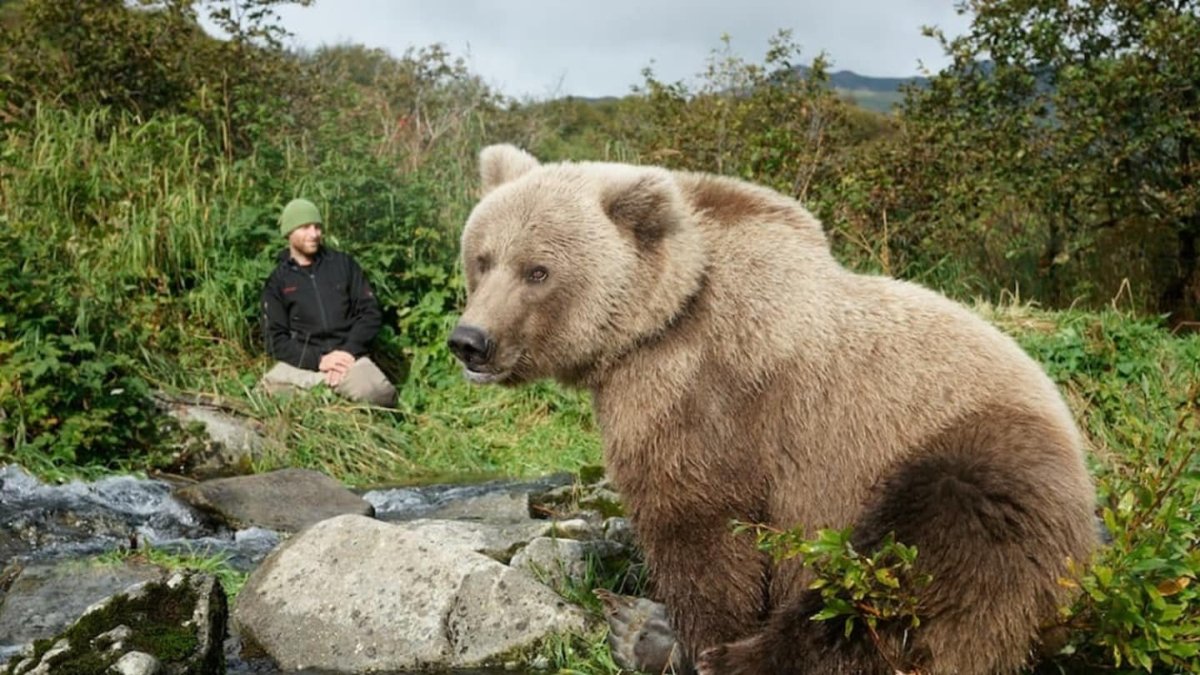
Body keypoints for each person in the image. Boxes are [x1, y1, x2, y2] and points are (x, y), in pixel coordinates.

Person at [259, 198, 397, 407]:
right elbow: (274, 339)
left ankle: (323, 395)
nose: (314, 234)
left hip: (348, 359)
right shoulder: (278, 281)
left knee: (380, 394)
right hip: (304, 363)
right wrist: (319, 360)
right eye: (305, 227)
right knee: (266, 392)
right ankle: (327, 391)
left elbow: (370, 313)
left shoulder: (343, 265)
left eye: (317, 227)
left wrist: (347, 351)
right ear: (289, 232)